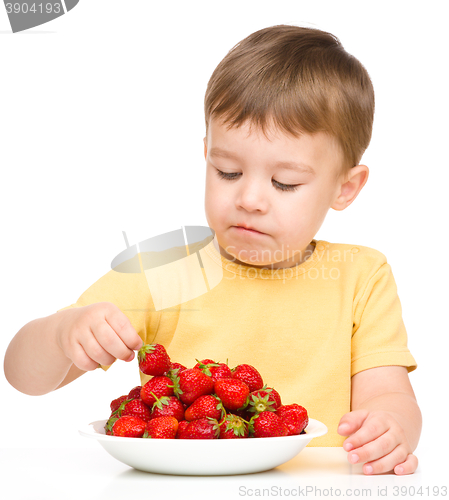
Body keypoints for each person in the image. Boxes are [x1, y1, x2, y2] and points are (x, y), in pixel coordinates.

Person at [4, 24, 421, 475]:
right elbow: (22, 375)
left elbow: (390, 394)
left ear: (346, 187)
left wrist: (390, 426)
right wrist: (65, 330)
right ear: (207, 156)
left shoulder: (361, 275)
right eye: (227, 171)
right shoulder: (164, 271)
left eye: (285, 183)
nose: (250, 199)